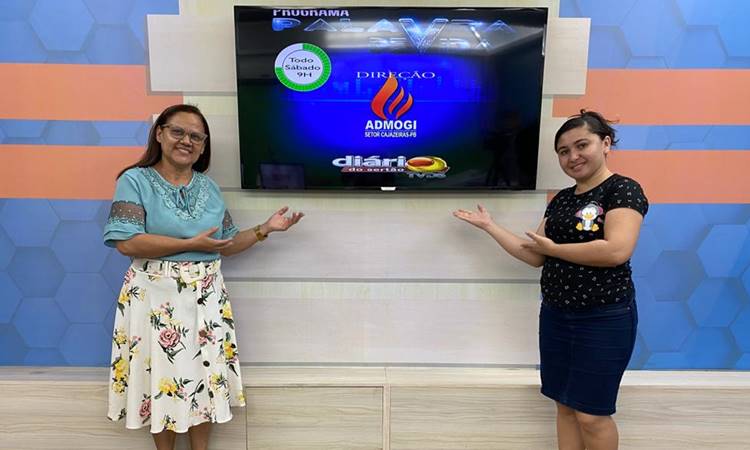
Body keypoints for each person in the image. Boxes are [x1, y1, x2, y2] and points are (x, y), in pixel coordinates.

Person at [103, 104, 303, 450]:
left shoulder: (209, 188)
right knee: (162, 379)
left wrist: (265, 229)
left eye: (196, 136)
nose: (187, 141)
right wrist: (189, 244)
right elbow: (126, 241)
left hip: (207, 297)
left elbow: (226, 244)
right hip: (155, 298)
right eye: (178, 132)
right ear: (160, 133)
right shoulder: (134, 180)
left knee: (205, 378)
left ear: (203, 145)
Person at [454, 110, 648, 450]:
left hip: (603, 318)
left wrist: (555, 249)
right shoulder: (561, 199)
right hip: (557, 316)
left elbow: (616, 250)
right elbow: (535, 254)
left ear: (605, 144)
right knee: (565, 406)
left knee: (592, 415)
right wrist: (490, 226)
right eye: (563, 151)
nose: (573, 156)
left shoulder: (623, 189)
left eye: (582, 145)